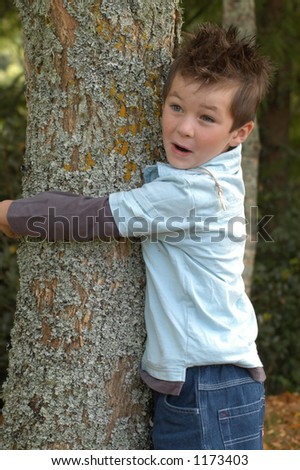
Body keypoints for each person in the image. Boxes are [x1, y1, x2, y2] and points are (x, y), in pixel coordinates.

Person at [0, 23, 273, 450]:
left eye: (206, 118)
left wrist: (12, 214)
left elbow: (97, 215)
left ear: (239, 133)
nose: (184, 129)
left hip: (208, 386)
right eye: (176, 107)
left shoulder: (193, 193)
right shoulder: (217, 168)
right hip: (209, 383)